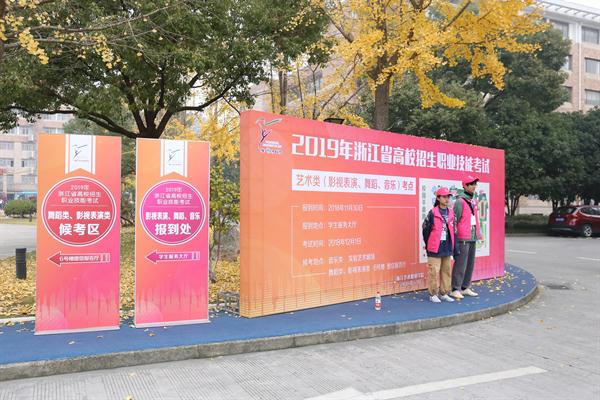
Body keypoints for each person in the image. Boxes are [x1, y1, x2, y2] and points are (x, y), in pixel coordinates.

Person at [422, 187, 458, 303]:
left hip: (447, 246)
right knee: (434, 271)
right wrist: (429, 244)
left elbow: (454, 230)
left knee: (446, 271)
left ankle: (444, 293)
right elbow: (425, 230)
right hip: (435, 247)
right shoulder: (432, 213)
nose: (447, 199)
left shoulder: (451, 213)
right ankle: (433, 294)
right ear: (438, 198)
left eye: (448, 197)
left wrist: (454, 246)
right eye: (444, 197)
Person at [451, 175, 482, 299]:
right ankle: (455, 288)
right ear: (465, 186)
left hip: (472, 236)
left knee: (470, 263)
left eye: (475, 184)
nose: (474, 186)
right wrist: (455, 238)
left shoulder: (472, 201)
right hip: (463, 237)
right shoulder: (460, 201)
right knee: (461, 263)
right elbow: (454, 220)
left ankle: (465, 287)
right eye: (471, 184)